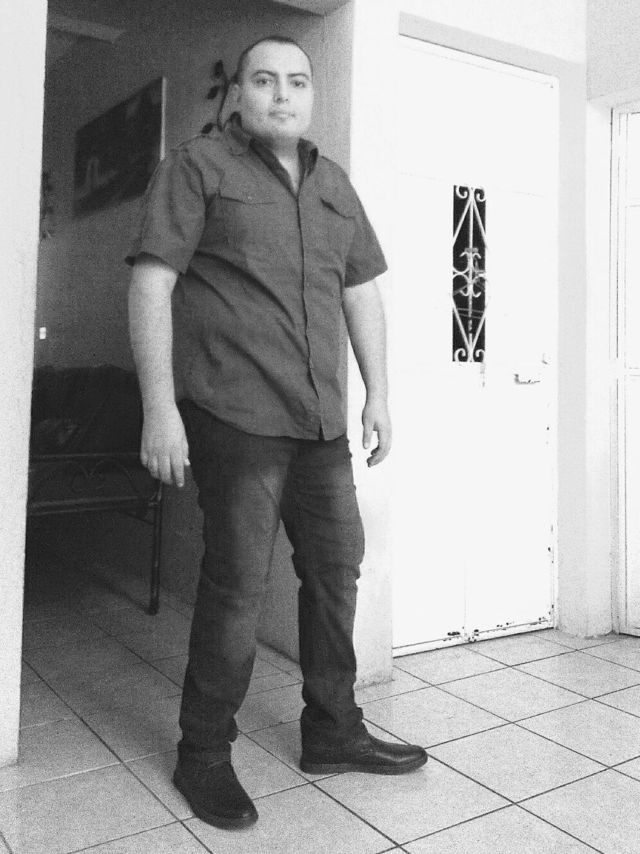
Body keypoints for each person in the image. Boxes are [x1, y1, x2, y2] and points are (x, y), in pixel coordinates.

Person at [127, 35, 427, 831]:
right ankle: (203, 752)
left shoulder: (335, 184)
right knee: (236, 587)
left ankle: (333, 730)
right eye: (265, 80)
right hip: (235, 416)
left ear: (311, 94)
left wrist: (379, 394)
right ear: (240, 92)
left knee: (336, 572)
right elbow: (152, 282)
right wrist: (159, 408)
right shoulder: (197, 167)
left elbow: (360, 293)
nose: (282, 95)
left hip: (320, 421)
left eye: (297, 81)